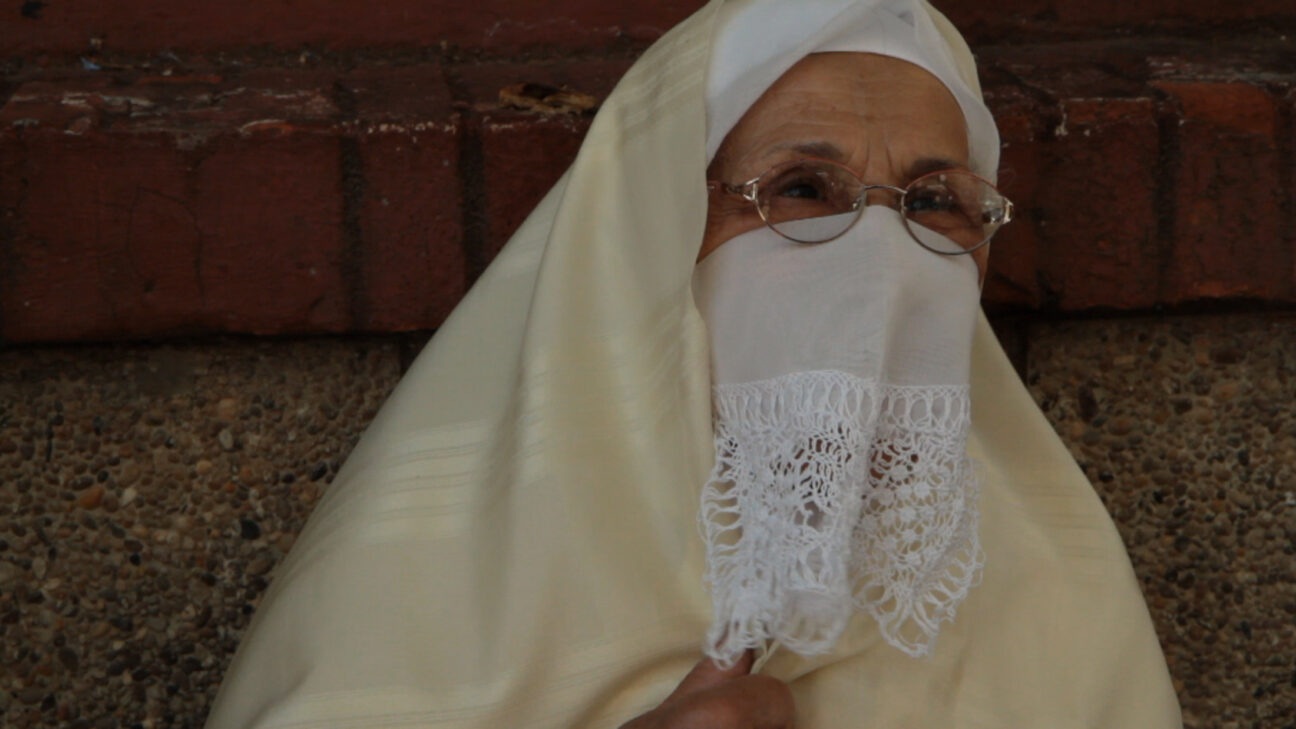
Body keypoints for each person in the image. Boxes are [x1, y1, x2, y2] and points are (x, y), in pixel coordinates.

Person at [204, 2, 1182, 728]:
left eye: (935, 203)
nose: (883, 267)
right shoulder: (425, 584)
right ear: (655, 236)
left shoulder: (1058, 590)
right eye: (804, 189)